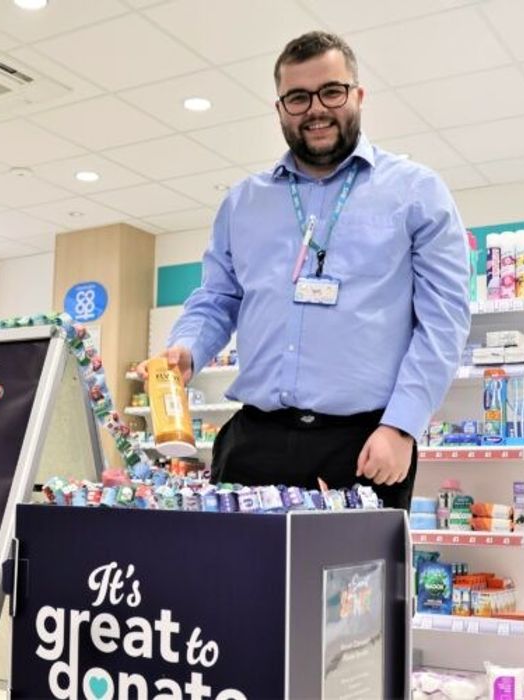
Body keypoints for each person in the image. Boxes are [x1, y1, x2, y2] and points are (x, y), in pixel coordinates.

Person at [139, 31, 470, 509]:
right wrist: (188, 348)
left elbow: (443, 321)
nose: (316, 108)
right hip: (253, 441)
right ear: (279, 109)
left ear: (357, 95)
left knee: (354, 585)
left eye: (331, 91)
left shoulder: (417, 193)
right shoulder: (243, 203)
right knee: (234, 581)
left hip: (365, 447)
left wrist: (401, 425)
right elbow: (217, 297)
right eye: (297, 97)